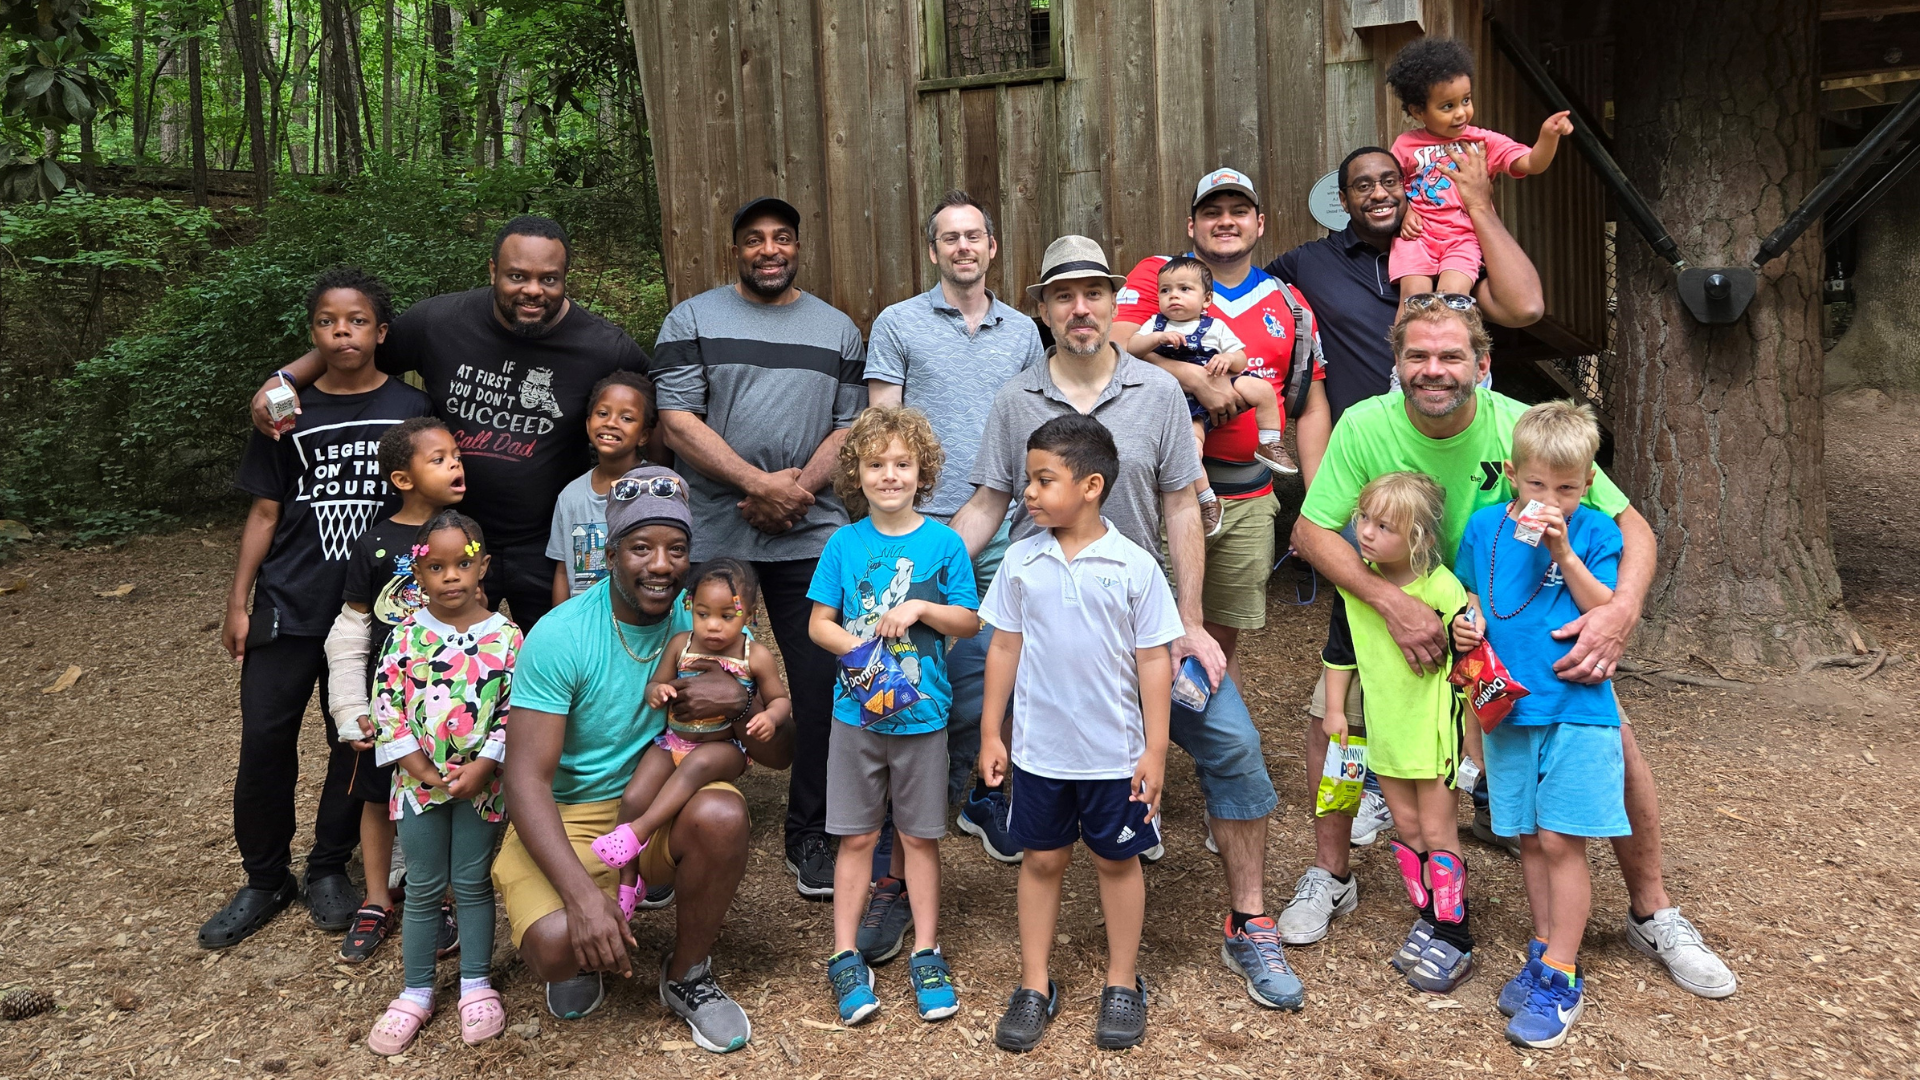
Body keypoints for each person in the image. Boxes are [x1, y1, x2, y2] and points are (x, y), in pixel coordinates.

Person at [1288, 299, 1738, 1000]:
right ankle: (1332, 876)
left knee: (1614, 748)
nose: (1434, 370)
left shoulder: (1522, 430)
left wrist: (1619, 613)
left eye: (1451, 356)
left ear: (1481, 364)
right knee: (1333, 727)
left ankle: (1654, 911)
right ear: (1396, 363)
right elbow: (1313, 532)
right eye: (1418, 356)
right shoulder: (1365, 425)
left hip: (1508, 632)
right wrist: (1395, 603)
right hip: (1393, 615)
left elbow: (1631, 526)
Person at [954, 235, 1304, 1013]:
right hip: (1047, 633)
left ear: (1116, 303)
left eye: (1094, 293)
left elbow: (1182, 501)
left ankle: (1248, 920)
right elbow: (986, 502)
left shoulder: (1154, 390)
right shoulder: (1017, 400)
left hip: (1148, 627)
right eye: (1063, 295)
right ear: (1044, 310)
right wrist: (920, 576)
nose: (1081, 308)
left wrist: (1191, 618)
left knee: (1233, 744)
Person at [1268, 143, 1545, 862]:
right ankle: (1332, 864)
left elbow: (1526, 305)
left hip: (1466, 514)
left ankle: (1481, 803)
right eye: (1363, 185)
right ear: (1343, 198)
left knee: (1477, 681)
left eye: (1390, 178)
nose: (1380, 193)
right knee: (1334, 711)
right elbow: (1249, 306)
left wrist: (1477, 207)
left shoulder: (1457, 250)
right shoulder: (1312, 266)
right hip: (1381, 500)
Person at [493, 465, 793, 1052]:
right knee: (557, 946)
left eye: (676, 549)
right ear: (610, 554)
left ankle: (687, 974)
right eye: (641, 548)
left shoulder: (710, 622)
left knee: (723, 815)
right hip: (570, 813)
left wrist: (740, 707)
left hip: (660, 801)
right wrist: (581, 898)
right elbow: (524, 778)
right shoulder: (562, 635)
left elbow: (779, 756)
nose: (660, 564)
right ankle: (589, 925)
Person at [247, 215, 655, 630]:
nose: (533, 290)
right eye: (517, 275)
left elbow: (653, 417)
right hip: (451, 536)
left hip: (548, 542)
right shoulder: (438, 322)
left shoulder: (603, 346)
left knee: (560, 660)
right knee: (443, 665)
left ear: (567, 277)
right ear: (493, 270)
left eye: (549, 279)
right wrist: (286, 379)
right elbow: (355, 346)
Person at [201, 267, 433, 950]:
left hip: (372, 614)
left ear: (381, 332)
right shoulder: (286, 413)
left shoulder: (413, 409)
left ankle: (329, 866)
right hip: (287, 602)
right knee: (265, 742)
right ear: (313, 333)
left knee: (351, 745)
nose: (343, 331)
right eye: (329, 321)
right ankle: (264, 878)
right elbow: (265, 509)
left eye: (357, 320)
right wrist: (237, 601)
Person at [651, 196, 866, 899]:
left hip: (811, 531)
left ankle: (812, 831)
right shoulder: (693, 319)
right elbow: (677, 419)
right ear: (734, 251)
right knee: (688, 678)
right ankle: (675, 814)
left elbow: (849, 425)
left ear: (797, 246)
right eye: (753, 240)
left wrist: (796, 491)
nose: (768, 249)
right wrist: (754, 484)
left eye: (781, 238)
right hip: (716, 531)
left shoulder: (836, 329)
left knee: (823, 682)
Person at [979, 413, 1180, 1053]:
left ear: (1091, 486)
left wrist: (1154, 749)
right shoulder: (1019, 560)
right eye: (1027, 481)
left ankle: (1123, 982)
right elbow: (1004, 648)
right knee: (1039, 860)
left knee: (1117, 862)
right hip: (1040, 755)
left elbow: (1155, 660)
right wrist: (991, 732)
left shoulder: (1134, 566)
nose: (1029, 493)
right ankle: (1034, 984)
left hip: (1115, 758)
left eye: (1043, 480)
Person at [865, 190, 1042, 902]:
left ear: (992, 248)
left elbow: (1035, 420)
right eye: (950, 238)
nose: (963, 247)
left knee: (998, 664)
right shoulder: (897, 323)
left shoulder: (1025, 332)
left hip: (1007, 524)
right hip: (921, 527)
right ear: (933, 250)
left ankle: (984, 794)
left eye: (975, 236)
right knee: (911, 663)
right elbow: (882, 431)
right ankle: (904, 816)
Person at [1450, 400, 1627, 1048]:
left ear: (1586, 483)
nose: (1550, 497)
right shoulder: (1484, 527)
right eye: (1536, 485)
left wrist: (1564, 549)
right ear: (1514, 474)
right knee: (1527, 838)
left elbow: (1606, 609)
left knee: (1560, 841)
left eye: (1567, 487)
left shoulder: (1599, 532)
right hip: (1509, 706)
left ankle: (1562, 974)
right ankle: (1543, 948)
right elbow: (1474, 599)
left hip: (1578, 707)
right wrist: (1466, 624)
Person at [1114, 168, 1329, 691]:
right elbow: (1114, 352)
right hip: (1164, 486)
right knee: (1138, 628)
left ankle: (1215, 750)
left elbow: (1312, 402)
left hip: (1249, 491)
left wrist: (1319, 505)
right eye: (1212, 212)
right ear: (1191, 225)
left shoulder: (1289, 301)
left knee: (1219, 638)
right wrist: (1192, 376)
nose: (1225, 222)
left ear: (1260, 224)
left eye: (1238, 211)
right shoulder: (1159, 277)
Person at [806, 406, 978, 1024]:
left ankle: (927, 953)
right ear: (857, 472)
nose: (889, 476)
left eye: (902, 464)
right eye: (876, 464)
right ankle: (845, 956)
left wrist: (920, 612)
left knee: (919, 837)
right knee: (854, 836)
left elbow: (969, 619)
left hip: (924, 718)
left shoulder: (945, 542)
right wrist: (860, 649)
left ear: (922, 471)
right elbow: (816, 623)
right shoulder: (844, 543)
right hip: (856, 715)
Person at [364, 511, 520, 1056]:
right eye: (437, 567)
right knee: (426, 886)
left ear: (483, 567)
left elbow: (513, 711)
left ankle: (476, 983)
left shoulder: (507, 638)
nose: (451, 576)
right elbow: (386, 706)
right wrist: (421, 769)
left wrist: (486, 765)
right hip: (417, 787)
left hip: (483, 787)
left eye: (463, 564)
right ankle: (415, 991)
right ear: (418, 573)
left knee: (473, 883)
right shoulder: (404, 636)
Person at [1320, 471, 1476, 994]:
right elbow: (1340, 653)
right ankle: (1428, 918)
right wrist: (1336, 711)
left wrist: (1466, 634)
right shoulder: (1354, 582)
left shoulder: (1442, 588)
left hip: (1431, 731)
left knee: (1437, 832)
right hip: (1384, 729)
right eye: (1363, 518)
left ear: (1420, 538)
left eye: (1384, 526)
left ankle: (1456, 935)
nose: (1365, 532)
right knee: (1406, 831)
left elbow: (1471, 657)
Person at [325, 416, 467, 963]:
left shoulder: (468, 535)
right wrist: (349, 707)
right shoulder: (375, 542)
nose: (455, 463)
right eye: (438, 459)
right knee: (376, 797)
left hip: (455, 710)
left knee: (449, 798)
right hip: (389, 707)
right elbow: (352, 628)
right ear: (402, 479)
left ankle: (443, 899)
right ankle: (379, 898)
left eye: (456, 454)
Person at [595, 558, 788, 917]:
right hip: (673, 741)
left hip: (724, 747)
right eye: (702, 614)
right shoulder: (681, 645)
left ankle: (639, 831)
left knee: (698, 764)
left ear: (749, 613)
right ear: (690, 607)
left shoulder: (754, 656)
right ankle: (629, 881)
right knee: (636, 793)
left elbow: (780, 699)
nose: (713, 627)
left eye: (726, 617)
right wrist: (657, 692)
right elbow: (657, 682)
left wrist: (769, 717)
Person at [1382, 38, 1572, 300]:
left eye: (1466, 100)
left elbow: (1532, 163)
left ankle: (1450, 341)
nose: (1461, 113)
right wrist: (1405, 213)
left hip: (1463, 238)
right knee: (1413, 297)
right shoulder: (1405, 145)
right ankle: (1405, 343)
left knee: (1453, 296)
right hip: (1417, 236)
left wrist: (1548, 137)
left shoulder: (1483, 142)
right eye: (1447, 106)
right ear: (1417, 111)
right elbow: (1392, 188)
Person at [1124, 254, 1294, 494]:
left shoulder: (1214, 326)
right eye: (1165, 290)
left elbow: (1241, 357)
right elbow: (1132, 350)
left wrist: (1227, 358)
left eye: (1184, 289)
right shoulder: (1156, 324)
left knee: (1262, 390)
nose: (1173, 295)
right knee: (1191, 449)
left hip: (1217, 376)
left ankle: (1269, 442)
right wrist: (1156, 339)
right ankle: (1205, 498)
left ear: (1206, 300)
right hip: (1183, 399)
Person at [548, 372, 657, 604]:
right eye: (603, 413)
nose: (611, 422)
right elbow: (562, 570)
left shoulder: (658, 488)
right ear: (588, 424)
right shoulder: (570, 496)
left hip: (638, 617)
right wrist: (558, 623)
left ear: (644, 435)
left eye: (627, 418)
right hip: (583, 622)